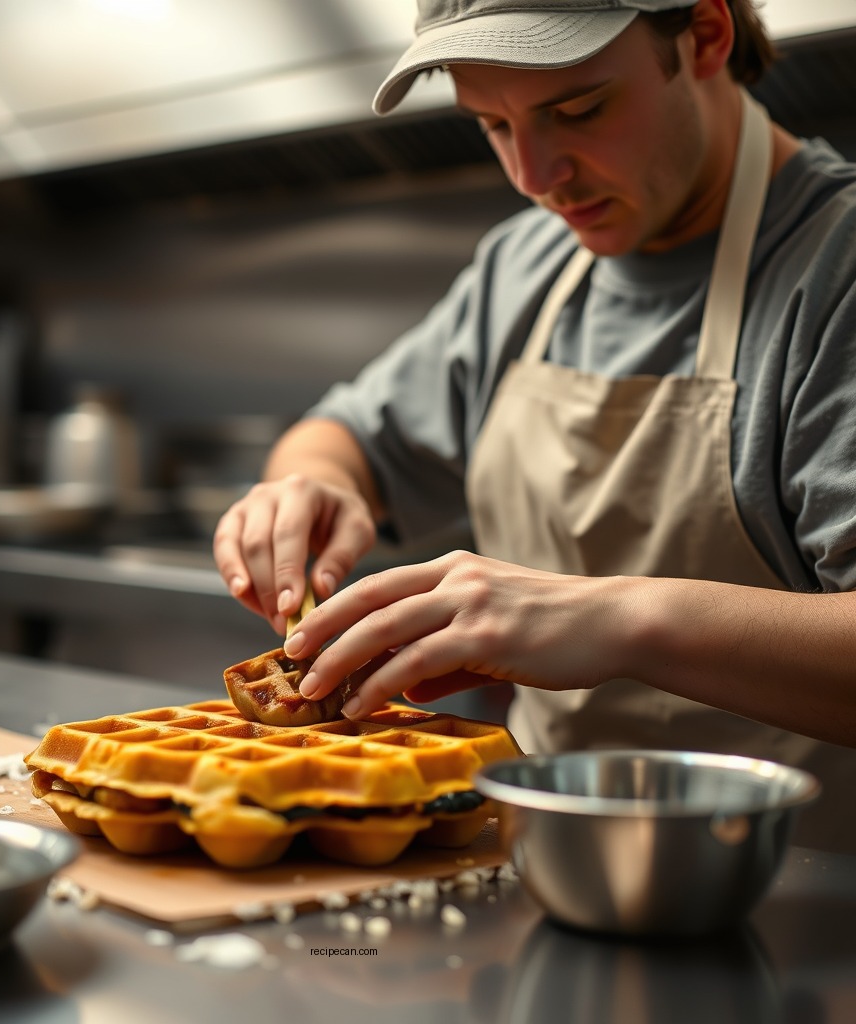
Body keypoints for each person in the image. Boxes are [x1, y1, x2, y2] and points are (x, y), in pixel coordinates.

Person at [213, 0, 856, 851]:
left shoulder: (835, 270)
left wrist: (623, 619)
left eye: (579, 109)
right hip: (543, 861)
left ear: (704, 35)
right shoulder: (525, 267)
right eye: (492, 125)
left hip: (804, 890)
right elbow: (344, 433)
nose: (535, 174)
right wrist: (315, 485)